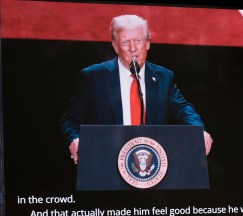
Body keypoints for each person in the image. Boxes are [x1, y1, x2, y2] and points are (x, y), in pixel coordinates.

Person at [59, 14, 213, 165]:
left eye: (138, 41)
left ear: (147, 43)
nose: (133, 49)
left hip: (153, 169)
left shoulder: (163, 77)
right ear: (115, 46)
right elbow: (70, 120)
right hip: (106, 164)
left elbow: (183, 109)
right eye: (126, 42)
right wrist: (75, 139)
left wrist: (197, 130)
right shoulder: (93, 77)